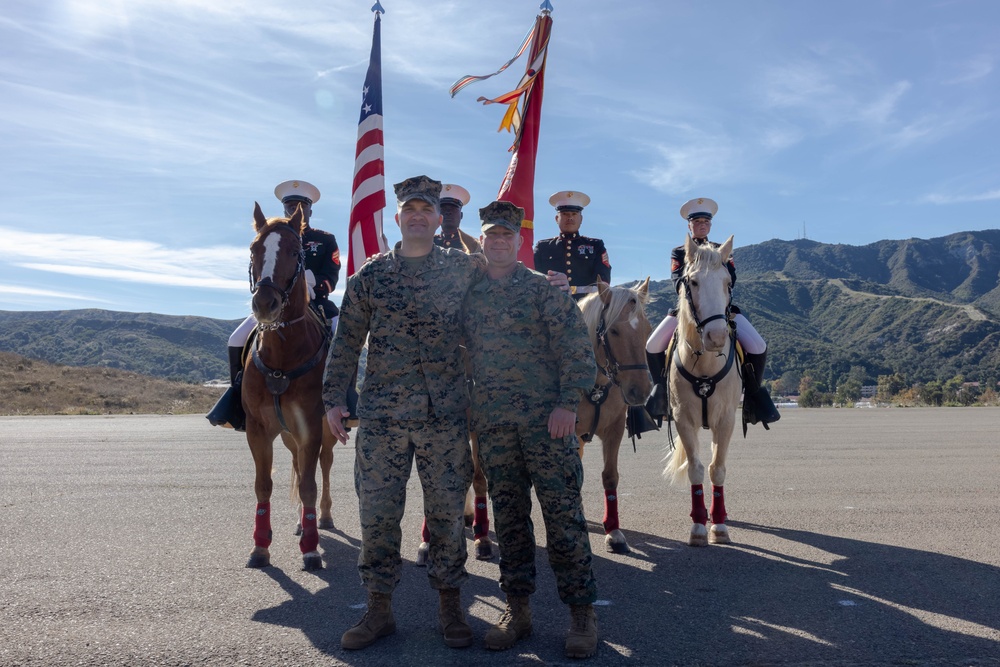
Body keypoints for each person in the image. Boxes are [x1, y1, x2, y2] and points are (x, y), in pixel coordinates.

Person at [321, 175, 481, 651]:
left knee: (449, 516)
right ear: (397, 217)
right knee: (377, 516)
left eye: (426, 210)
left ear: (438, 219)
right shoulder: (370, 276)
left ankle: (450, 606)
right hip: (383, 418)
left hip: (444, 417)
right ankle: (379, 610)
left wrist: (552, 285)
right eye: (409, 209)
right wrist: (334, 399)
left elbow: (505, 292)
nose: (417, 216)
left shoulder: (462, 270)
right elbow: (346, 341)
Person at [464, 200, 601, 659]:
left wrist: (567, 405)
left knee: (563, 519)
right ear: (481, 242)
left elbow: (577, 352)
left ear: (518, 243)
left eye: (507, 236)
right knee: (510, 521)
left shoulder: (543, 291)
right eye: (492, 235)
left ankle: (582, 613)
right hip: (496, 429)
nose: (499, 242)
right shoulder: (471, 294)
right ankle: (517, 610)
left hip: (549, 427)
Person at [207, 179, 340, 431]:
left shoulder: (325, 240)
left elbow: (331, 276)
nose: (294, 209)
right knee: (236, 339)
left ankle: (345, 397)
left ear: (309, 211)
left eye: (300, 205)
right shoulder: (271, 235)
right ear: (284, 208)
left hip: (317, 302)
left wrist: (312, 284)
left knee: (341, 334)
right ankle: (238, 395)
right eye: (289, 205)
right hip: (277, 300)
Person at [645, 197, 780, 427]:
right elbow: (678, 282)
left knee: (758, 346)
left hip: (721, 312)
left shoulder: (721, 251)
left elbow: (731, 280)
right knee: (652, 345)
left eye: (705, 221)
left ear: (710, 225)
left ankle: (754, 398)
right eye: (697, 221)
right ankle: (662, 395)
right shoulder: (680, 252)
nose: (701, 225)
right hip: (687, 312)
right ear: (689, 226)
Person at [533, 190, 611, 301]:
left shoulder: (596, 246)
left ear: (581, 219)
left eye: (574, 214)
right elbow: (534, 278)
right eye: (565, 214)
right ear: (556, 219)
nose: (570, 218)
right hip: (551, 306)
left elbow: (603, 282)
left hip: (588, 307)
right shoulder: (543, 247)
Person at [434, 183, 482, 254]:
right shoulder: (427, 243)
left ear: (461, 215)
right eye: (443, 209)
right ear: (437, 215)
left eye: (453, 209)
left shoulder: (474, 246)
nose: (448, 212)